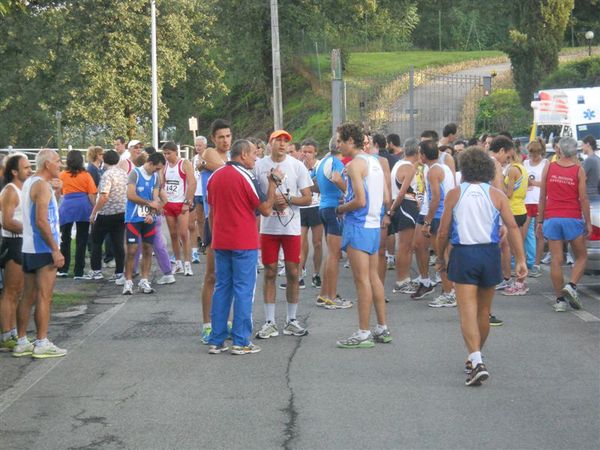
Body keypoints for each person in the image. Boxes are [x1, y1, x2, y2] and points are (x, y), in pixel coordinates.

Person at [437, 147, 527, 386]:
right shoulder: (497, 195)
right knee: (483, 312)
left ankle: (476, 359)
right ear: (488, 170)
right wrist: (520, 260)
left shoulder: (455, 195)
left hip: (464, 253)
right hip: (490, 253)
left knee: (467, 311)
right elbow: (513, 227)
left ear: (464, 169)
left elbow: (444, 231)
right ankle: (476, 356)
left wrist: (439, 257)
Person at [206, 139, 279, 355]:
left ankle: (217, 339)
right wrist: (273, 183)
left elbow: (211, 210)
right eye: (254, 154)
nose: (256, 158)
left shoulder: (215, 176)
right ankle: (240, 340)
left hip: (220, 239)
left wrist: (212, 237)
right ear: (244, 154)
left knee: (222, 288)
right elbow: (265, 209)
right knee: (244, 289)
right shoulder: (246, 176)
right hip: (243, 240)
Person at [335, 123, 391, 349]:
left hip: (358, 225)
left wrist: (340, 209)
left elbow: (359, 200)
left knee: (362, 281)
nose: (338, 145)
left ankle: (363, 332)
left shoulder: (356, 165)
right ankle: (382, 327)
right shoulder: (375, 162)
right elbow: (386, 197)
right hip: (373, 225)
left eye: (340, 141)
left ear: (350, 141)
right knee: (373, 277)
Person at [254, 129, 312, 339]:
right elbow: (254, 195)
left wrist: (288, 199)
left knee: (293, 273)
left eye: (285, 141)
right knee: (269, 271)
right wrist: (269, 200)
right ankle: (269, 321)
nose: (281, 144)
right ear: (270, 143)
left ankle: (291, 320)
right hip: (268, 227)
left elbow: (307, 197)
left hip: (291, 228)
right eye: (277, 140)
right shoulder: (259, 165)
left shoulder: (297, 166)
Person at [13, 149, 66, 358]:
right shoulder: (42, 186)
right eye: (57, 161)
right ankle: (42, 342)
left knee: (27, 295)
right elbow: (42, 221)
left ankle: (22, 340)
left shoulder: (30, 183)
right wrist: (55, 249)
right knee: (45, 296)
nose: (60, 165)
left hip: (28, 247)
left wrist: (59, 192)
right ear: (47, 165)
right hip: (43, 247)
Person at [537, 137, 591, 312]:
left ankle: (560, 300)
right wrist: (588, 222)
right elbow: (583, 198)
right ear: (574, 151)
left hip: (552, 218)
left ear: (559, 149)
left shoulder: (549, 167)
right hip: (572, 217)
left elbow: (542, 195)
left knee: (556, 260)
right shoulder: (578, 170)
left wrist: (540, 220)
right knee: (581, 256)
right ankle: (572, 285)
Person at [198, 119, 232, 343]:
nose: (225, 140)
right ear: (213, 139)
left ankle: (225, 322)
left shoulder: (233, 158)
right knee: (212, 276)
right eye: (221, 136)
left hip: (233, 222)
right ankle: (207, 325)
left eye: (228, 136)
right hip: (214, 221)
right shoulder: (209, 154)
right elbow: (225, 171)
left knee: (229, 278)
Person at [315, 137, 352, 310]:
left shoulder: (322, 161)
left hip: (324, 207)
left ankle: (323, 294)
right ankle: (331, 296)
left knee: (330, 253)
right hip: (333, 209)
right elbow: (337, 178)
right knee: (334, 255)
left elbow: (313, 182)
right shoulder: (335, 162)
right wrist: (349, 193)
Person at [0, 153, 32, 351]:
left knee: (19, 291)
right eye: (26, 167)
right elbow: (7, 221)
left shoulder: (24, 188)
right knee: (10, 291)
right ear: (14, 171)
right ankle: (6, 335)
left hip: (23, 242)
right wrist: (30, 228)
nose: (30, 170)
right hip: (13, 243)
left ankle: (12, 332)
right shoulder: (10, 191)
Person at [122, 152, 165, 295]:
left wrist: (152, 213)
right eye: (157, 168)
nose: (158, 171)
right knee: (132, 251)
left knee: (148, 249)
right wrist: (148, 203)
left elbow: (156, 199)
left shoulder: (155, 178)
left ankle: (144, 280)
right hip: (133, 218)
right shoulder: (135, 173)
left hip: (148, 219)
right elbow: (130, 194)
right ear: (151, 163)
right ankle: (128, 281)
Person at [57, 150, 97, 279]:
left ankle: (63, 269)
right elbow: (91, 194)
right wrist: (95, 209)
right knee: (82, 239)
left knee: (65, 238)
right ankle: (78, 272)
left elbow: (59, 192)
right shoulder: (86, 175)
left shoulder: (62, 175)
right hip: (83, 206)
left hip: (67, 206)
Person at [88, 150, 127, 281]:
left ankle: (96, 270)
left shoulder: (107, 175)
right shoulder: (123, 173)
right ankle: (120, 272)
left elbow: (104, 195)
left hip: (106, 213)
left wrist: (94, 212)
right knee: (118, 242)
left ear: (105, 160)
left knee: (96, 241)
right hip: (121, 211)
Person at [389, 138, 420, 295]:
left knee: (405, 246)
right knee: (405, 246)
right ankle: (402, 281)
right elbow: (402, 192)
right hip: (405, 206)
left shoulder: (398, 164)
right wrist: (392, 209)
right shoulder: (409, 167)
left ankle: (404, 279)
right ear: (417, 152)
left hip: (402, 205)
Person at [162, 141, 196, 276]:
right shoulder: (164, 166)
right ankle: (178, 263)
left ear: (175, 152)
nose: (166, 156)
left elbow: (192, 182)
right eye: (164, 154)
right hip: (168, 203)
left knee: (183, 233)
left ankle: (187, 263)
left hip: (181, 203)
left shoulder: (184, 163)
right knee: (173, 235)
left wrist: (187, 201)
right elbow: (162, 183)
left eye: (168, 153)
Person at [502, 145, 529, 296]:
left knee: (516, 250)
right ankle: (519, 281)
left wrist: (500, 183)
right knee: (516, 249)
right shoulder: (522, 168)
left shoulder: (513, 169)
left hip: (514, 210)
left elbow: (509, 193)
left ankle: (520, 283)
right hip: (520, 209)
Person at [297, 139, 323, 290]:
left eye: (309, 152)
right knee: (300, 242)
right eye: (304, 151)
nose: (306, 154)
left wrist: (307, 185)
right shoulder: (297, 166)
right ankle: (300, 274)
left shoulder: (319, 166)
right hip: (302, 206)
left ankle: (316, 273)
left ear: (315, 153)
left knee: (318, 243)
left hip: (317, 207)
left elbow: (322, 188)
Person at [523, 140, 548, 278]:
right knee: (523, 233)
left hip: (539, 201)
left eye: (535, 153)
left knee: (539, 234)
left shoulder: (545, 163)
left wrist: (533, 182)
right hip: (526, 201)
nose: (533, 156)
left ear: (540, 152)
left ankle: (537, 264)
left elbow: (546, 183)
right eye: (531, 153)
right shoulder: (525, 163)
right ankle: (523, 261)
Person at [190, 136, 207, 260]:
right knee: (199, 219)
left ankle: (211, 241)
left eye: (200, 145)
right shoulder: (194, 159)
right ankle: (203, 242)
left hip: (208, 192)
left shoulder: (210, 157)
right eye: (196, 145)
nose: (198, 148)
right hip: (197, 192)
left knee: (209, 218)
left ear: (205, 146)